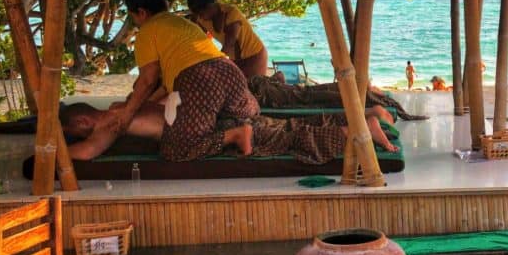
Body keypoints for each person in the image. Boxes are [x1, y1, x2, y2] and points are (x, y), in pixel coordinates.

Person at [111, 0, 257, 162]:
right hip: (230, 72)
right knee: (244, 118)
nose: (135, 22)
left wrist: (127, 114)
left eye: (133, 17)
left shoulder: (147, 31)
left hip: (201, 81)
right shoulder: (182, 23)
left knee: (177, 149)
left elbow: (147, 80)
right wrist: (141, 105)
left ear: (141, 12)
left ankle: (234, 135)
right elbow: (164, 87)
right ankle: (243, 129)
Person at [60, 102, 396, 164]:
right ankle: (366, 116)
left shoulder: (109, 123)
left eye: (73, 132)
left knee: (291, 139)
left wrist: (50, 151)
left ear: (83, 123)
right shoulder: (125, 103)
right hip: (213, 117)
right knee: (290, 127)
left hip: (210, 130)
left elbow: (88, 152)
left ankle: (364, 128)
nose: (78, 137)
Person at [248, 74, 426, 121]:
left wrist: (271, 81)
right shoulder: (258, 98)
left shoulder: (256, 85)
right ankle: (380, 101)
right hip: (305, 98)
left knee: (341, 87)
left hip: (304, 90)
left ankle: (374, 95)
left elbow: (278, 75)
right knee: (342, 96)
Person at [187, 0, 269, 79]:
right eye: (197, 14)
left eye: (201, 13)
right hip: (235, 58)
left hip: (254, 55)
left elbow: (229, 43)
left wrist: (214, 63)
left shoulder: (231, 13)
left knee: (255, 88)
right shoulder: (202, 19)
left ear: (210, 6)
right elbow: (202, 40)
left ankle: (278, 79)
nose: (200, 17)